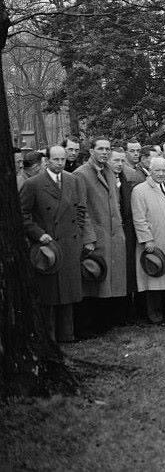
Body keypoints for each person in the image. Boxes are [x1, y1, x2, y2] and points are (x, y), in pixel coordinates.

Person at [20, 145, 89, 343]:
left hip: (69, 244)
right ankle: (48, 339)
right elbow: (22, 214)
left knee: (68, 293)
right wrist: (39, 234)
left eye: (63, 159)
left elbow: (80, 209)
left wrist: (76, 231)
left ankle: (67, 336)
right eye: (56, 159)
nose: (60, 163)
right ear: (47, 160)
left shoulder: (73, 180)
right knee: (49, 295)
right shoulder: (33, 184)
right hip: (47, 247)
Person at [74, 136, 127, 334]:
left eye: (107, 149)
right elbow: (81, 209)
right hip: (96, 236)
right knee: (94, 280)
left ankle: (107, 323)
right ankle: (89, 326)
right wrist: (88, 237)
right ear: (91, 151)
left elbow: (116, 204)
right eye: (101, 149)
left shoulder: (110, 172)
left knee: (110, 281)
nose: (105, 152)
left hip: (113, 234)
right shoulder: (81, 174)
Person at [132, 157, 165, 324]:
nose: (161, 173)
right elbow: (139, 218)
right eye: (157, 170)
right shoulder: (140, 190)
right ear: (150, 170)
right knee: (155, 277)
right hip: (154, 242)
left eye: (164, 170)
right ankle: (156, 316)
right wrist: (147, 239)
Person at [110, 147, 140, 323]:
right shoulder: (107, 180)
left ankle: (127, 313)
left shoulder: (125, 180)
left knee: (127, 273)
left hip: (127, 232)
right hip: (112, 232)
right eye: (116, 160)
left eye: (122, 161)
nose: (119, 164)